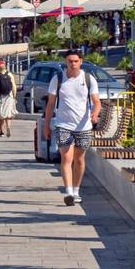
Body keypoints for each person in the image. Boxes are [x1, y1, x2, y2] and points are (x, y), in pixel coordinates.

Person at [42, 52, 102, 206]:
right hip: (63, 125)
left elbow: (97, 102)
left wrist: (94, 114)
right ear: (65, 62)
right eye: (70, 61)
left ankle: (76, 190)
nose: (73, 64)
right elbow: (50, 104)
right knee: (66, 158)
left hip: (83, 126)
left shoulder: (88, 79)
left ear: (81, 62)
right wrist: (47, 125)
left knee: (79, 159)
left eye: (75, 61)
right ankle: (68, 191)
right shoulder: (58, 79)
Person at [0, 59, 17, 137]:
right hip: (9, 96)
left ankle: (1, 132)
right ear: (4, 66)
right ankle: (8, 127)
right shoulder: (10, 74)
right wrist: (14, 95)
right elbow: (14, 86)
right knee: (8, 114)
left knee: (0, 114)